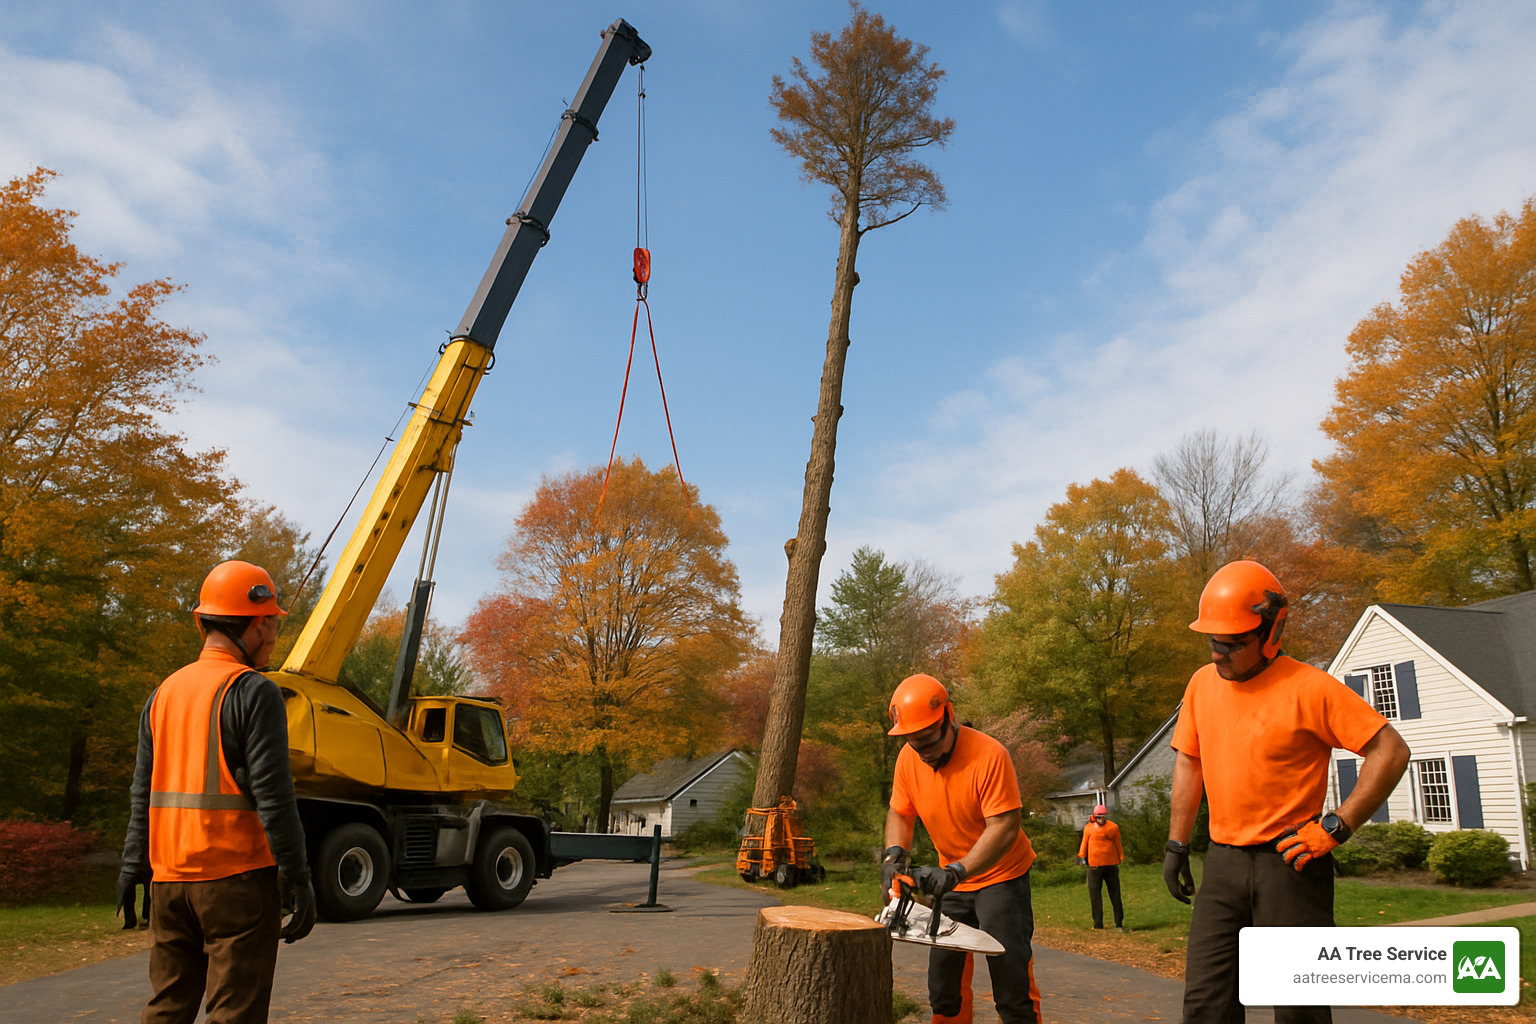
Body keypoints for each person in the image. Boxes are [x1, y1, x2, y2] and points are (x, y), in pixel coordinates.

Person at [1164, 560, 1409, 1024]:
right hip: (1223, 863)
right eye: (1213, 642)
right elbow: (1189, 760)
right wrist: (1177, 843)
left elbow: (1390, 751)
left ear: (1271, 632)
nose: (1218, 655)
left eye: (1232, 644)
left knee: (1299, 1010)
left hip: (1292, 863)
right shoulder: (1201, 685)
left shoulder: (1310, 687)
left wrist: (1337, 826)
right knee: (1205, 1006)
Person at [118, 560, 317, 1024]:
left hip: (169, 885)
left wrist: (134, 866)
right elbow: (274, 797)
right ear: (253, 624)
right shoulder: (253, 691)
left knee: (167, 1008)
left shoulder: (163, 693)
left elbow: (142, 793)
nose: (273, 634)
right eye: (270, 622)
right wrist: (299, 879)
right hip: (236, 885)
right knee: (235, 1015)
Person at [882, 673, 1041, 1024]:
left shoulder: (988, 755)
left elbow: (1004, 827)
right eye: (912, 742)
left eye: (927, 740)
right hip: (951, 880)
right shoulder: (910, 759)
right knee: (943, 987)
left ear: (948, 717)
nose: (923, 752)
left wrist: (957, 871)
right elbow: (900, 811)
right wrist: (894, 856)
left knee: (1010, 981)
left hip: (1001, 877)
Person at [1077, 803, 1124, 931]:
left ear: (1106, 816)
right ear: (1094, 817)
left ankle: (1119, 923)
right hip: (1094, 866)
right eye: (1099, 817)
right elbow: (1084, 843)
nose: (1101, 819)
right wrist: (1081, 857)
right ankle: (1098, 924)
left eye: (1103, 817)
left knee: (1115, 894)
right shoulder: (1089, 828)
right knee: (1095, 896)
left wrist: (1121, 857)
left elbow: (1118, 843)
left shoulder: (1113, 827)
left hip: (1111, 865)